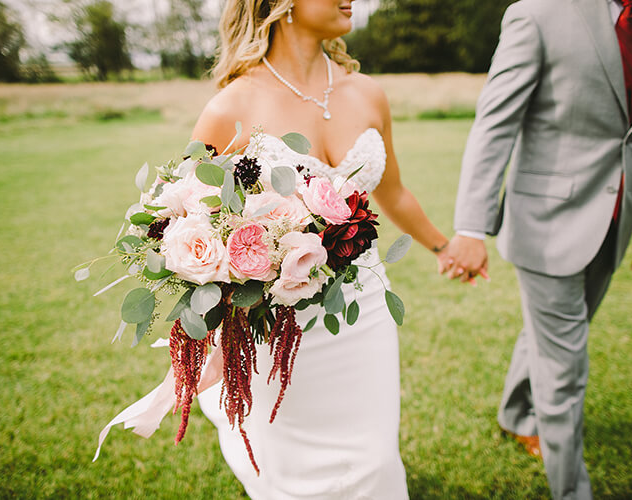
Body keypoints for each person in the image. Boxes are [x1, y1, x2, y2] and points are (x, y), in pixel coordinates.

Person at [191, 1, 451, 498]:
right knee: (290, 464)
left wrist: (443, 247)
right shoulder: (231, 107)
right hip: (279, 323)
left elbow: (392, 192)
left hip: (364, 311)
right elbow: (188, 218)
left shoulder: (368, 93)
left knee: (374, 458)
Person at [444, 0, 632, 498]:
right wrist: (471, 228)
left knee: (559, 331)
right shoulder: (538, 13)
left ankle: (516, 414)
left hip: (618, 221)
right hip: (546, 220)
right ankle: (571, 489)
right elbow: (496, 122)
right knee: (565, 368)